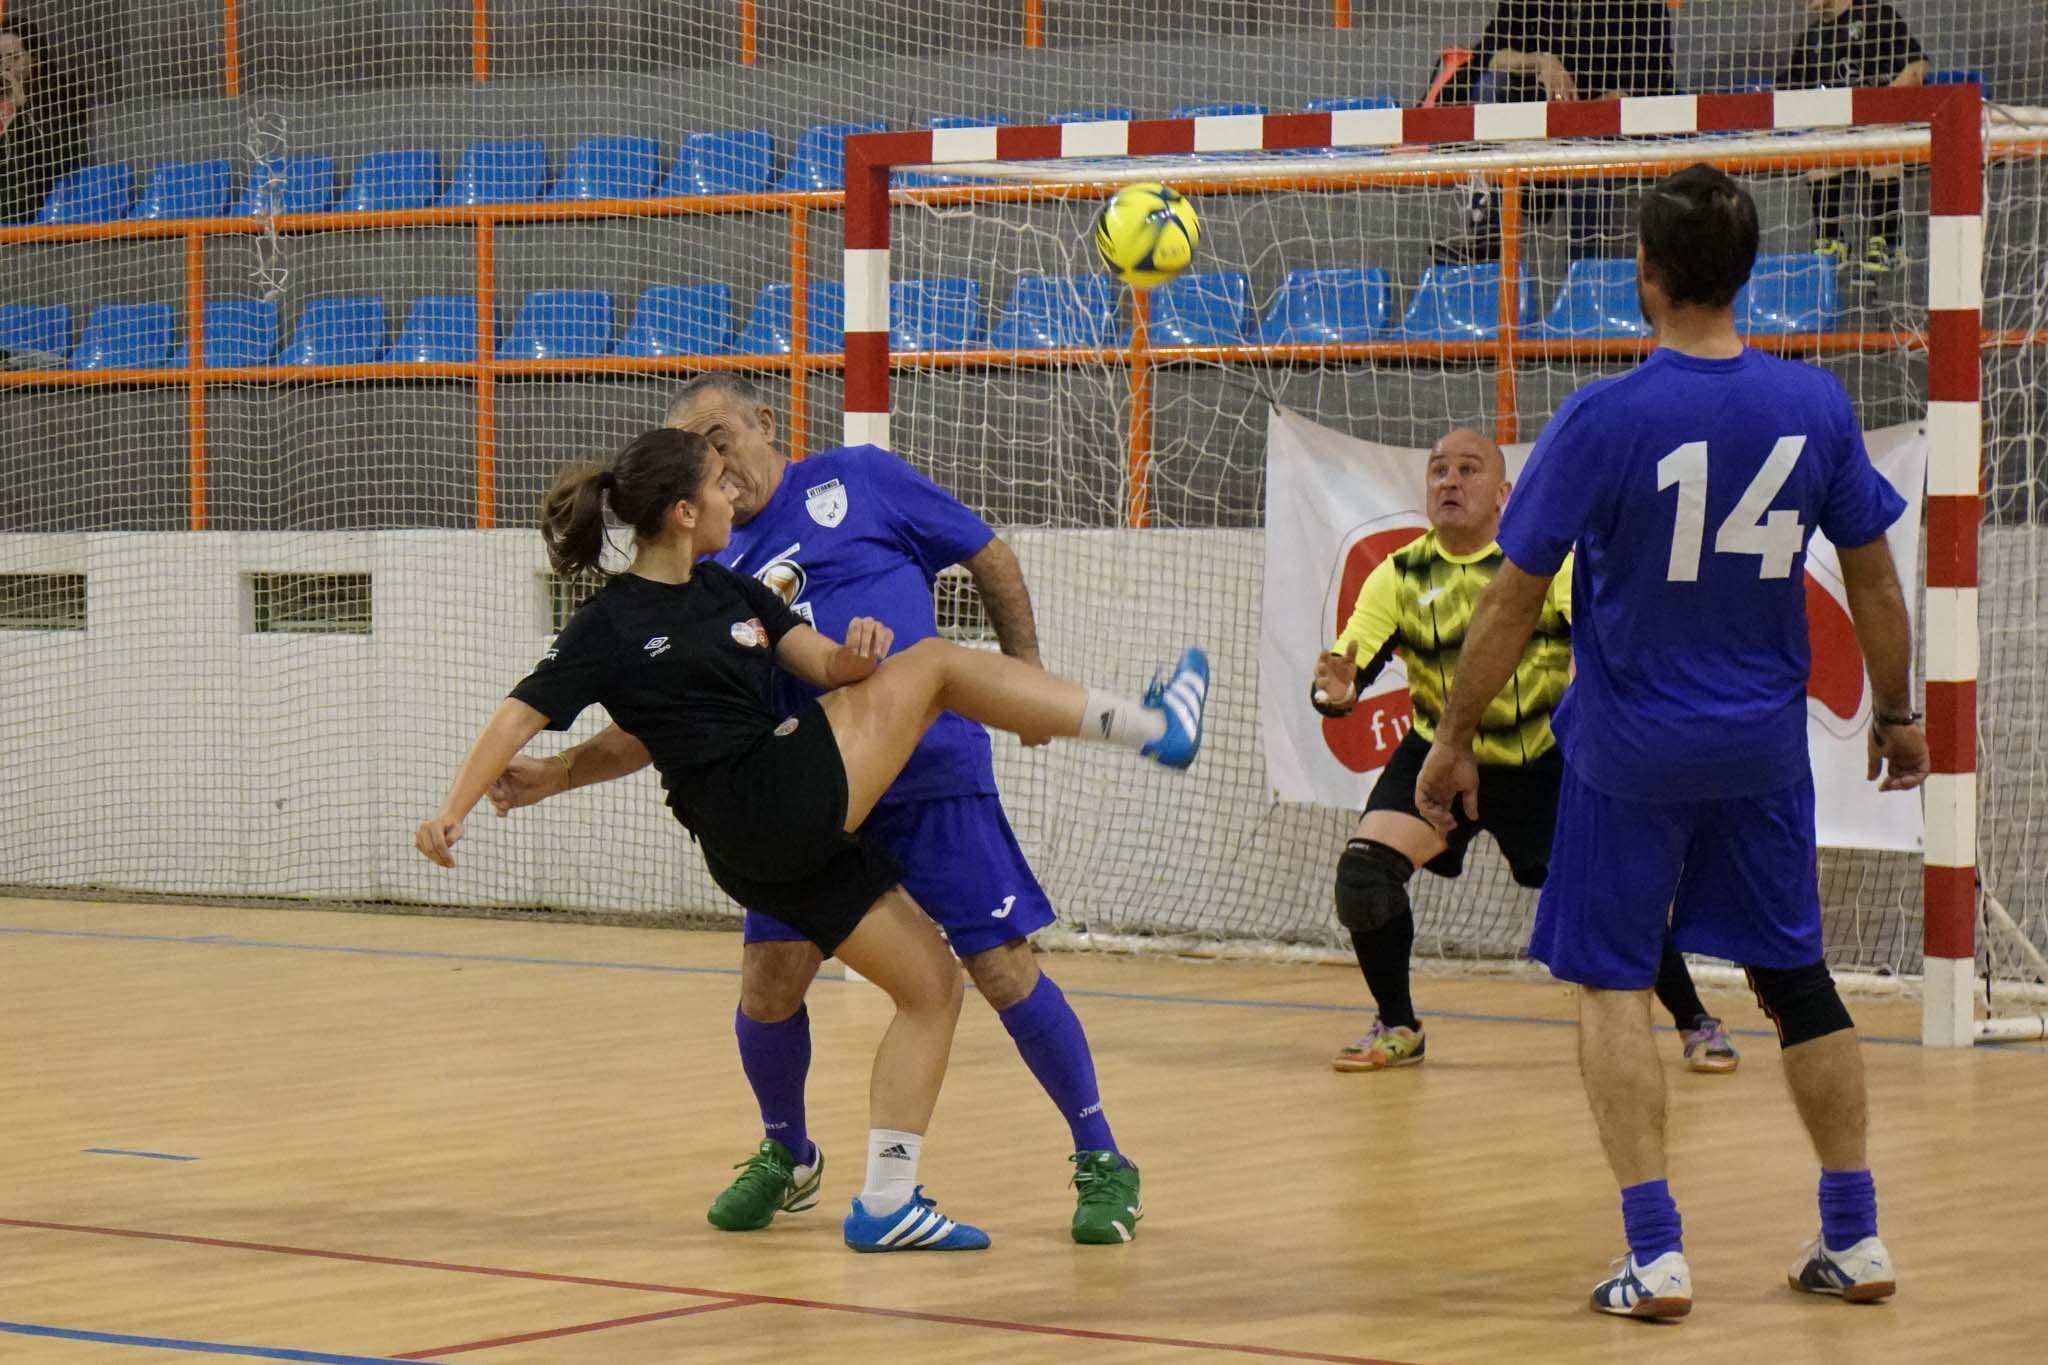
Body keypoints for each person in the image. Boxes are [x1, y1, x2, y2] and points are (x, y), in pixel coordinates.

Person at [416, 427, 1208, 1253]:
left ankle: (889, 1202)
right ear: (684, 511)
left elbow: (829, 668)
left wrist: (862, 655)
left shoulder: (737, 593)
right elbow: (519, 712)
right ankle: (1151, 724)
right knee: (936, 664)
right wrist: (455, 808)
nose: (733, 494)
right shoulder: (609, 623)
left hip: (767, 845)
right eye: (717, 483)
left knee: (932, 986)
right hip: (777, 797)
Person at [1416, 163, 1926, 1318]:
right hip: (1759, 749)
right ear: (1745, 274)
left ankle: (1654, 1255)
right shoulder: (1815, 407)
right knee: (1795, 980)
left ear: (1639, 277)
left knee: (1607, 980)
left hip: (1627, 752)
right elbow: (1874, 579)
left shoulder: (1602, 417)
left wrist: (1455, 738)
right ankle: (1854, 1235)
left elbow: (1506, 599)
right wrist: (1894, 715)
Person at [1310, 428, 1737, 1074]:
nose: (1449, 481)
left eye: (1468, 469)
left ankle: (1696, 1021)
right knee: (1363, 875)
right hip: (1439, 762)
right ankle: (1398, 1024)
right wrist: (1334, 691)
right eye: (1438, 469)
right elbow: (1348, 667)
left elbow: (1608, 654)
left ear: (1505, 492)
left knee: (1618, 896)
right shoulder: (1396, 575)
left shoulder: (1545, 567)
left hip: (1541, 761)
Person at [1442, 1, 1679, 261]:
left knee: (1585, 143)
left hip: (1612, 118)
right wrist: (1541, 62)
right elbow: (1490, 55)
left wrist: (1582, 117)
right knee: (1489, 87)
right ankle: (1486, 238)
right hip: (1543, 118)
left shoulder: (1642, 7)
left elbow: (1650, 80)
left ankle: (1586, 268)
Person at [1777, 0, 1930, 277]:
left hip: (1885, 118)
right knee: (1820, 142)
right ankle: (1832, 240)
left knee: (1881, 140)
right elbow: (1785, 91)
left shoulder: (1876, 14)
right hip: (1842, 127)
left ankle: (1888, 242)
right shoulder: (1811, 37)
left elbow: (1918, 67)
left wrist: (1878, 107)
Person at [0, 20, 88, 224]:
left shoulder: (60, 95)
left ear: (35, 59)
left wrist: (24, 106)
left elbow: (59, 160)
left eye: (14, 57)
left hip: (31, 197)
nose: (6, 66)